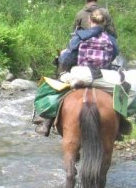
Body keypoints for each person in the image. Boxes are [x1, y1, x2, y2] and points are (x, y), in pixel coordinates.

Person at [35, 9, 119, 137]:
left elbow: (68, 57)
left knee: (57, 86)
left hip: (81, 73)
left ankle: (46, 123)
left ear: (90, 21)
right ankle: (119, 126)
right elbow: (114, 55)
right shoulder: (111, 40)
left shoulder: (80, 36)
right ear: (105, 22)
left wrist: (62, 60)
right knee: (117, 94)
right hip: (103, 75)